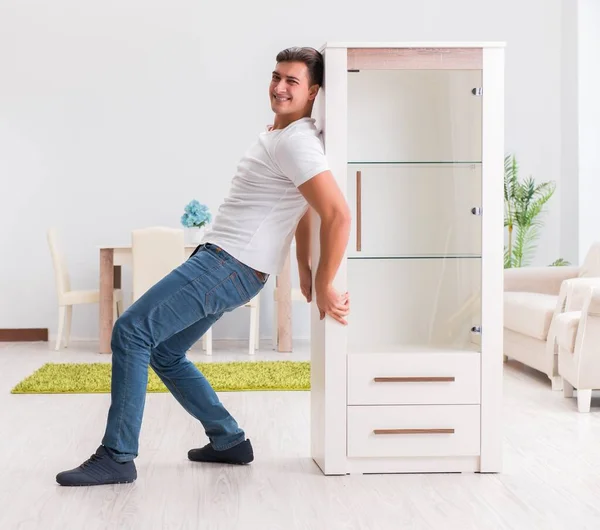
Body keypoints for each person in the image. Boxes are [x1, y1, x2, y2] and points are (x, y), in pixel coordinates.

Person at [56, 46, 352, 486]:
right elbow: (305, 207)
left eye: (293, 81)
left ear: (313, 93)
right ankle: (228, 440)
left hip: (229, 264)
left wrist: (324, 280)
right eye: (276, 76)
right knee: (164, 350)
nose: (280, 86)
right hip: (228, 264)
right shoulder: (280, 134)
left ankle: (117, 456)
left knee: (132, 331)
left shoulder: (296, 142)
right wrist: (304, 268)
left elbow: (338, 214)